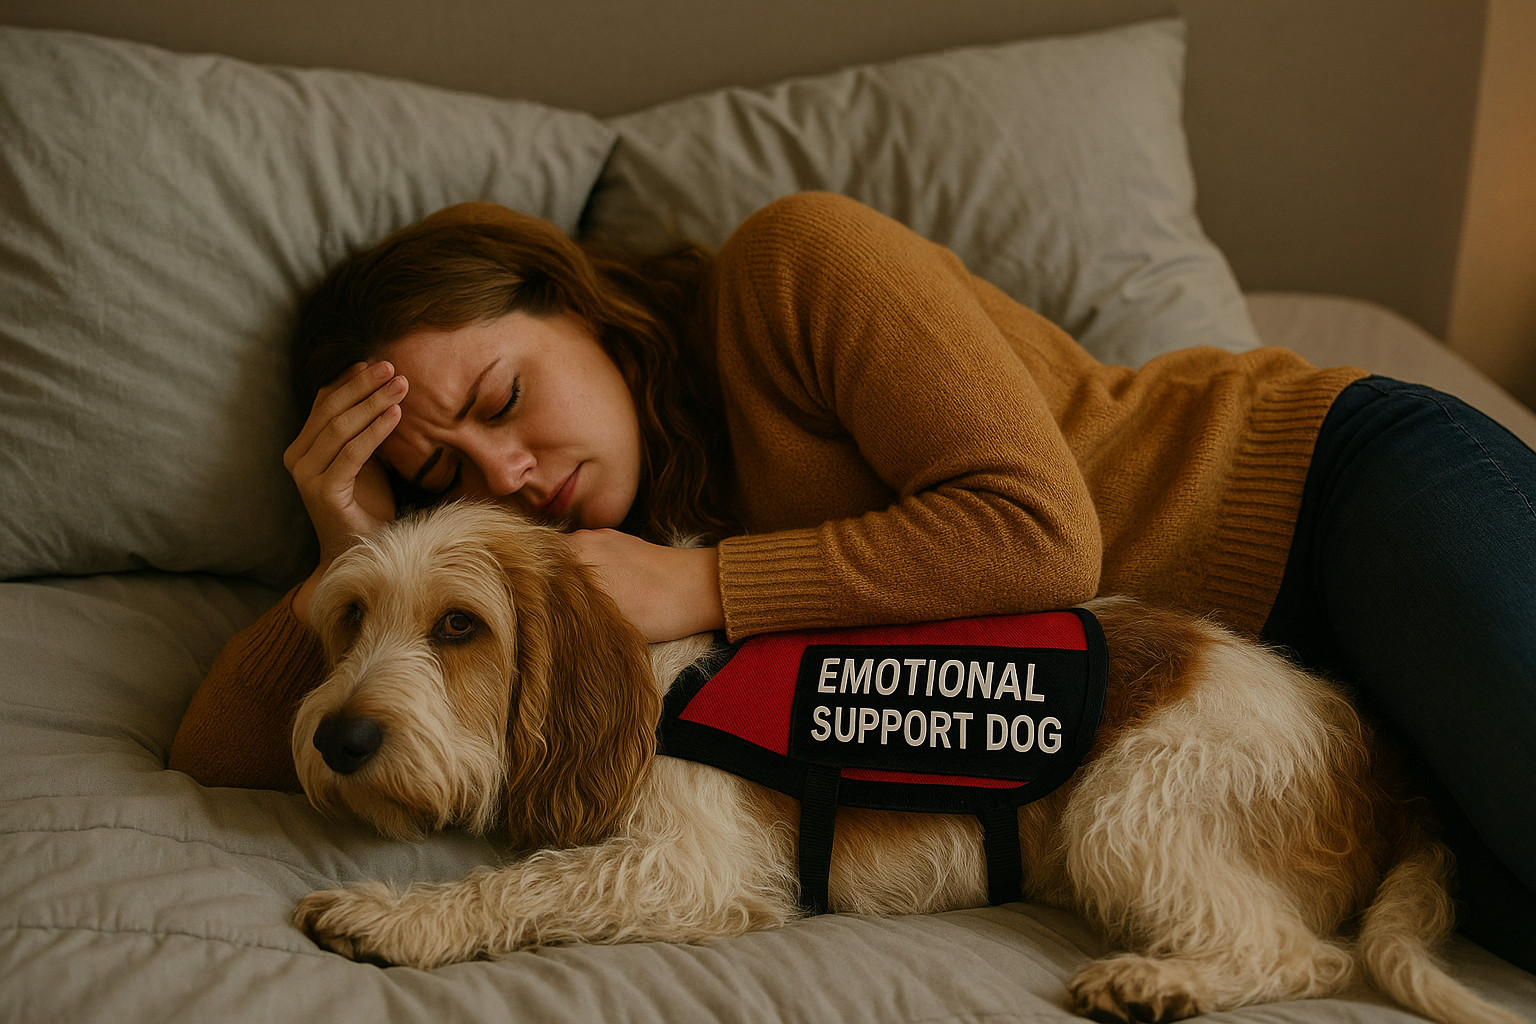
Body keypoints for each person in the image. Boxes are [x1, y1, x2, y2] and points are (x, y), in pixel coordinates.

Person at [168, 191, 1535, 969]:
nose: (510, 474)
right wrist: (347, 538)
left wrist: (697, 589)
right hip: (1231, 721)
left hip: (1331, 492)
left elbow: (1041, 541)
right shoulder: (609, 552)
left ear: (574, 299)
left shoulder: (792, 268)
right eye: (447, 474)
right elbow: (221, 750)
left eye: (507, 393)